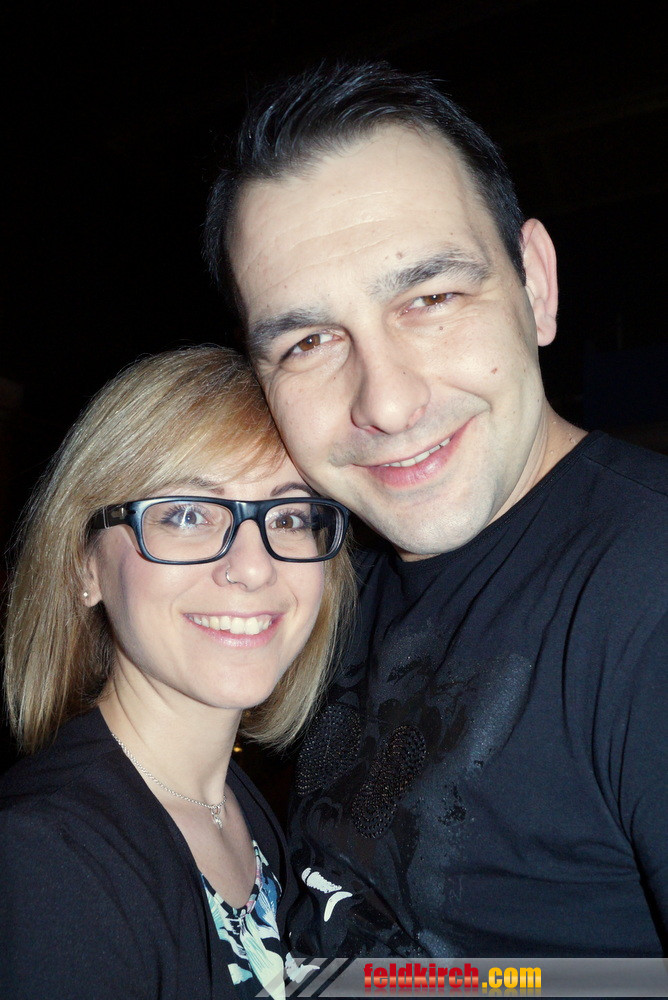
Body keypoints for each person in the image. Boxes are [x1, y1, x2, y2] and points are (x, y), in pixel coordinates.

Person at [203, 62, 668, 957]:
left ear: (536, 284)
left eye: (431, 297)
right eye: (309, 341)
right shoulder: (327, 586)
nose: (385, 402)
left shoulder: (648, 597)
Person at [0, 345, 354, 999]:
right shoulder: (47, 858)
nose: (254, 567)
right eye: (188, 514)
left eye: (290, 516)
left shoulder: (239, 808)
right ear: (85, 566)